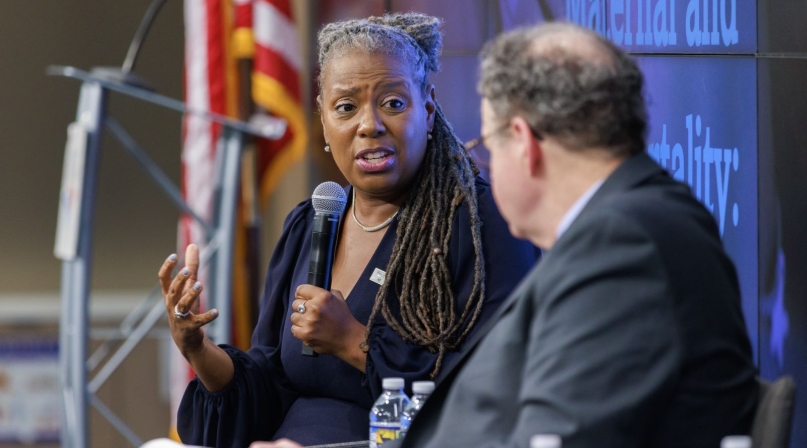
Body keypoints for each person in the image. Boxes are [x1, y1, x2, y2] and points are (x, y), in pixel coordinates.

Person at [158, 12, 537, 447]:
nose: (369, 124)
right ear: (323, 119)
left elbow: (489, 390)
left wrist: (352, 341)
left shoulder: (477, 223)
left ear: (428, 110)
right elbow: (270, 384)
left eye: (393, 103)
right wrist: (197, 348)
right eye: (346, 107)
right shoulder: (312, 222)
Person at [389, 23, 759, 448]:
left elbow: (558, 436)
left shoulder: (625, 247)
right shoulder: (621, 230)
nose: (486, 163)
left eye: (487, 145)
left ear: (524, 144)